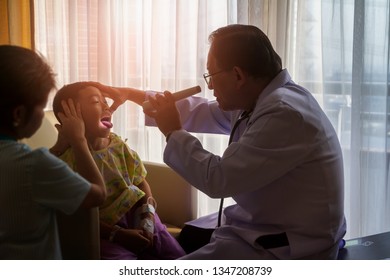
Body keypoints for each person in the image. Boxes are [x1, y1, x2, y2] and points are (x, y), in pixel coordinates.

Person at [94, 24, 347, 259]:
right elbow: (199, 111)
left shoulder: (283, 112)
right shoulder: (258, 100)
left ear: (237, 75)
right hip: (266, 225)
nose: (210, 85)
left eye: (211, 74)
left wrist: (172, 131)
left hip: (289, 245)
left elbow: (218, 179)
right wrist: (130, 94)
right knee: (192, 235)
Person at [50, 82, 185, 260]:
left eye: (105, 100)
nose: (107, 105)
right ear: (71, 116)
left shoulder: (118, 145)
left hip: (138, 214)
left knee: (178, 257)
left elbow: (140, 181)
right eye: (96, 101)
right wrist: (118, 235)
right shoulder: (66, 162)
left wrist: (147, 215)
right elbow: (79, 218)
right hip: (103, 231)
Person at [0, 45, 107, 260]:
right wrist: (78, 140)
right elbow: (98, 195)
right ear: (19, 114)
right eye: (42, 107)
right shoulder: (34, 164)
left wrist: (59, 147)